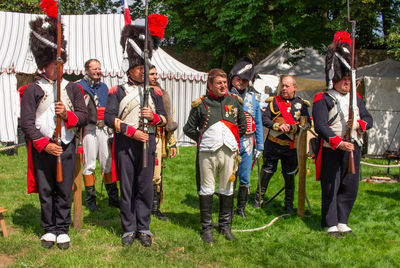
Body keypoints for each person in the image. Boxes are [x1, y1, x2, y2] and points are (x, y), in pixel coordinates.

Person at [20, 16, 88, 249]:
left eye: (60, 64)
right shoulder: (33, 90)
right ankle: (49, 229)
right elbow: (27, 123)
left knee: (64, 189)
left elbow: (84, 116)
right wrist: (43, 143)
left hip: (66, 145)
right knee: (47, 189)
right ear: (44, 64)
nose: (58, 68)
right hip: (44, 147)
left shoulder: (73, 88)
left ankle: (62, 228)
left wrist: (66, 115)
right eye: (53, 64)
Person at [104, 23, 167, 247]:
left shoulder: (155, 92)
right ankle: (128, 227)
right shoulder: (117, 91)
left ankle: (144, 227)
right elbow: (109, 118)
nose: (143, 70)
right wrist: (132, 132)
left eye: (144, 67)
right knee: (128, 186)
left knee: (145, 186)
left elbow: (165, 120)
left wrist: (153, 117)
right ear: (130, 69)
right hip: (125, 143)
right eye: (139, 67)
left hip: (148, 142)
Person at [313, 31, 372, 238]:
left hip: (353, 147)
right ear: (335, 77)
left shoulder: (357, 98)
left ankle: (342, 221)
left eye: (349, 79)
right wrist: (338, 142)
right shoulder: (323, 97)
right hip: (332, 149)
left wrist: (360, 125)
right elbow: (321, 125)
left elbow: (367, 119)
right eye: (344, 79)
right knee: (331, 185)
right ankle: (330, 222)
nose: (347, 82)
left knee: (349, 186)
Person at [183, 68, 247, 244]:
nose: (223, 86)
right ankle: (207, 229)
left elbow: (243, 125)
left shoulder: (234, 101)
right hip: (207, 153)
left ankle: (226, 226)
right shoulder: (201, 104)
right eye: (219, 83)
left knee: (227, 189)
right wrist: (204, 139)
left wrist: (231, 140)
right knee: (207, 189)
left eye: (225, 83)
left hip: (229, 152)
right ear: (210, 85)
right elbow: (188, 128)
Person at [254, 75, 310, 213]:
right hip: (273, 144)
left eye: (287, 86)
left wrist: (292, 128)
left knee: (289, 175)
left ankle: (288, 205)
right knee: (267, 171)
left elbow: (308, 123)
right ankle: (258, 201)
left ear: (294, 88)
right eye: (282, 85)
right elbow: (265, 119)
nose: (284, 88)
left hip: (291, 147)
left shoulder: (301, 104)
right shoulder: (273, 102)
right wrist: (276, 126)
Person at [77, 59, 119, 212]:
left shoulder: (104, 87)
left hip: (104, 128)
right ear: (87, 70)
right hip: (89, 128)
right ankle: (91, 201)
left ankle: (113, 199)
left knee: (107, 162)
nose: (97, 71)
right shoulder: (79, 87)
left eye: (99, 69)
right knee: (89, 164)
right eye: (94, 69)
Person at [228, 57, 263, 218]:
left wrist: (260, 146)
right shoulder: (226, 97)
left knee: (244, 176)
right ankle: (226, 207)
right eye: (238, 79)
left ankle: (240, 208)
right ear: (232, 79)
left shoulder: (254, 99)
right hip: (229, 140)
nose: (241, 83)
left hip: (248, 142)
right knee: (229, 175)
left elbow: (258, 123)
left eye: (244, 80)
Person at [149, 66, 178, 221]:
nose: (155, 76)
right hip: (140, 137)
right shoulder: (137, 92)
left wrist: (172, 143)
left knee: (156, 174)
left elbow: (169, 119)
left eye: (156, 74)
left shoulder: (162, 94)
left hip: (159, 137)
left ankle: (154, 208)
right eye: (151, 74)